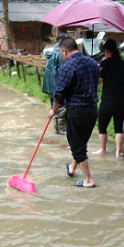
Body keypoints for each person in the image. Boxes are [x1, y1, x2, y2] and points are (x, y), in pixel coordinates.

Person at [48, 37, 100, 188]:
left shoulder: (67, 67)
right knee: (81, 142)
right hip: (92, 110)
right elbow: (96, 80)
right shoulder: (92, 62)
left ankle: (88, 180)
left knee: (77, 145)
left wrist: (54, 110)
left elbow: (59, 93)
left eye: (61, 52)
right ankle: (72, 167)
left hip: (77, 111)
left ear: (64, 51)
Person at [93, 39, 124, 158]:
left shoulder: (105, 64)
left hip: (108, 100)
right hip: (122, 99)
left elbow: (99, 81)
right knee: (118, 126)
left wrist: (94, 74)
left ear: (107, 50)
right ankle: (118, 152)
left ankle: (102, 149)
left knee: (102, 125)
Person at [42, 33, 68, 106]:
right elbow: (63, 71)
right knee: (60, 108)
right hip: (57, 84)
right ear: (60, 41)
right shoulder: (59, 54)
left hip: (49, 84)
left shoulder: (49, 51)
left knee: (53, 105)